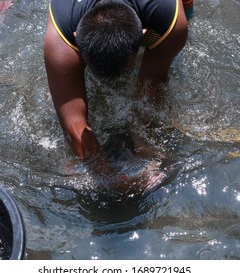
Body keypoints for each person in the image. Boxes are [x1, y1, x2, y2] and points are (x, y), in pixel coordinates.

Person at [44, 0, 190, 191]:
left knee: (187, 16)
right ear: (76, 37)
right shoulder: (60, 42)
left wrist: (143, 142)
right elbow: (72, 122)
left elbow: (153, 79)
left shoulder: (171, 23)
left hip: (160, 12)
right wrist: (105, 176)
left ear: (144, 36)